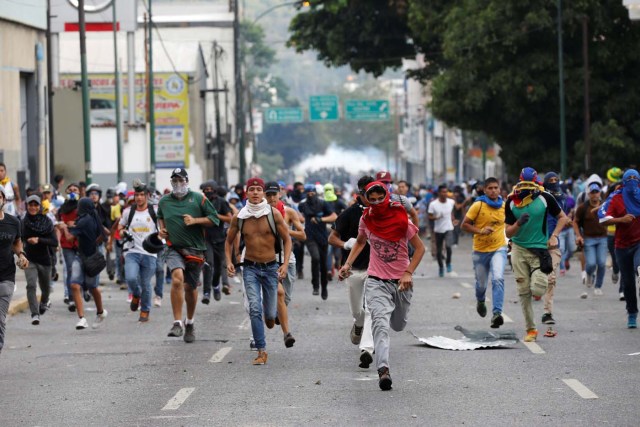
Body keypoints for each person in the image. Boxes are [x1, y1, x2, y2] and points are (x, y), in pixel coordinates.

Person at [338, 181, 425, 391]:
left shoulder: (401, 219)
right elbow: (360, 242)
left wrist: (407, 273)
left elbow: (420, 249)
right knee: (379, 324)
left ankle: (384, 363)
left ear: (387, 196)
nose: (376, 203)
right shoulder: (366, 219)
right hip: (376, 280)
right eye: (372, 199)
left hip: (402, 282)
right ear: (367, 199)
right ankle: (383, 370)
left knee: (398, 325)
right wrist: (347, 264)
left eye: (380, 198)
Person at [225, 177, 291, 365]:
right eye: (252, 189)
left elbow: (287, 239)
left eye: (258, 189)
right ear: (246, 192)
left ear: (263, 193)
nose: (255, 192)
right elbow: (228, 240)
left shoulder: (273, 214)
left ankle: (270, 319)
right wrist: (229, 261)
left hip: (270, 268)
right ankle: (261, 351)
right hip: (250, 268)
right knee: (254, 308)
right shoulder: (240, 216)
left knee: (269, 316)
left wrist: (285, 264)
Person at [505, 167, 567, 342]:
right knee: (523, 292)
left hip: (540, 249)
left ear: (536, 183)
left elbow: (563, 217)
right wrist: (518, 223)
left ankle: (537, 291)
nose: (526, 188)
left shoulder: (546, 198)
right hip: (518, 249)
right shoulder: (511, 201)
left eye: (529, 184)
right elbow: (508, 233)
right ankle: (531, 329)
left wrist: (554, 235)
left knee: (539, 287)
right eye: (523, 184)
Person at [157, 168, 218, 342]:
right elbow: (160, 218)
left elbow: (214, 219)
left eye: (180, 180)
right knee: (177, 279)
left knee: (190, 288)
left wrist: (195, 220)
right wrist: (161, 230)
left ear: (187, 181)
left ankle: (189, 322)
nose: (177, 184)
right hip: (173, 247)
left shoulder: (198, 199)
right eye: (174, 181)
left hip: (195, 249)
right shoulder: (164, 201)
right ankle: (177, 323)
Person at [328, 175, 376, 369]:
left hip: (377, 269)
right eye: (368, 193)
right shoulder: (349, 214)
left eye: (376, 193)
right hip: (355, 268)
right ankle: (358, 323)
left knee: (372, 309)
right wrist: (346, 244)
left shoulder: (383, 211)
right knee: (358, 311)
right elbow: (332, 238)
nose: (373, 197)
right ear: (361, 193)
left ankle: (366, 349)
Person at [460, 177, 507, 328]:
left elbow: (509, 226)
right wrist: (480, 230)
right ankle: (480, 301)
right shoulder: (478, 205)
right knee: (481, 285)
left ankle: (497, 314)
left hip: (499, 248)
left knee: (498, 278)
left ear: (499, 189)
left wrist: (511, 240)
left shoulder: (505, 206)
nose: (493, 191)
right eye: (490, 188)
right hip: (480, 251)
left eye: (496, 188)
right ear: (485, 190)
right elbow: (464, 225)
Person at [57, 198, 108, 330]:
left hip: (89, 259)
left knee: (92, 286)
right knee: (74, 284)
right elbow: (105, 233)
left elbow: (69, 238)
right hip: (82, 256)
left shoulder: (84, 221)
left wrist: (63, 228)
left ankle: (101, 312)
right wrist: (94, 243)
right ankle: (82, 318)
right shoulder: (93, 218)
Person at [265, 181, 305, 348]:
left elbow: (302, 235)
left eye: (274, 194)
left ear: (280, 194)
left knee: (286, 297)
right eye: (269, 195)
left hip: (288, 257)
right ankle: (282, 328)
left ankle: (276, 314)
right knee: (279, 292)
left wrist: (284, 230)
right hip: (269, 257)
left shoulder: (288, 212)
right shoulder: (260, 213)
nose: (272, 198)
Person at [598, 169, 640, 328]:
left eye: (635, 178)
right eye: (628, 178)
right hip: (622, 246)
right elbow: (603, 220)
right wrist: (621, 219)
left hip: (639, 243)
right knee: (628, 283)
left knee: (639, 267)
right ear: (623, 181)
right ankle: (632, 313)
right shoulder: (616, 198)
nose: (632, 181)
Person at [118, 182, 158, 322]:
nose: (139, 198)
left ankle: (145, 310)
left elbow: (164, 227)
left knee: (146, 283)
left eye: (142, 195)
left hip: (150, 253)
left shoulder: (155, 211)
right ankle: (136, 294)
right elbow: (120, 226)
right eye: (137, 195)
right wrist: (122, 232)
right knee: (130, 278)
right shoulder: (128, 211)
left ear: (147, 196)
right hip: (132, 251)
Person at [0, 186, 29, 355]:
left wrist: (21, 254)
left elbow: (16, 241)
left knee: (0, 319)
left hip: (6, 276)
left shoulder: (13, 222)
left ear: (4, 199)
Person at [21, 195, 58, 325]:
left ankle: (44, 302)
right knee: (31, 285)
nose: (33, 207)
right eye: (30, 205)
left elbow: (54, 242)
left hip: (45, 260)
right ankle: (34, 314)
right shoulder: (23, 222)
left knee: (46, 289)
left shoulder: (47, 222)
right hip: (29, 259)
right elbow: (17, 240)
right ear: (27, 206)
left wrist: (39, 240)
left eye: (35, 205)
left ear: (40, 207)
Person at [298, 184, 337, 299]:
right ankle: (315, 285)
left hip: (322, 237)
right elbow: (298, 215)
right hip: (309, 237)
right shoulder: (303, 205)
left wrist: (321, 219)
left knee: (324, 265)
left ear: (315, 192)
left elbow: (334, 216)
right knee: (315, 258)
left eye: (312, 193)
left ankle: (324, 287)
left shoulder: (323, 203)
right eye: (308, 193)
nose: (310, 195)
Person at [200, 180, 233, 304]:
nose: (208, 191)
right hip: (206, 239)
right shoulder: (201, 202)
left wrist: (216, 216)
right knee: (208, 264)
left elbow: (230, 219)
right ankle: (206, 292)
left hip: (220, 238)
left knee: (219, 268)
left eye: (210, 189)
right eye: (205, 189)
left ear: (214, 189)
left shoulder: (222, 202)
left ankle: (216, 286)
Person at [573, 183, 608, 298]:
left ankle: (598, 286)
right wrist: (578, 235)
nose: (594, 195)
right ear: (588, 194)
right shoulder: (583, 207)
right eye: (592, 193)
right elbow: (575, 221)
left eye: (596, 192)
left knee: (602, 263)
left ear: (599, 193)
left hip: (603, 238)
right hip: (588, 239)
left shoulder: (604, 206)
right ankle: (589, 274)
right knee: (591, 263)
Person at [55, 183, 80, 310]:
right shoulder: (62, 209)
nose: (72, 192)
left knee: (82, 269)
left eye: (75, 190)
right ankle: (71, 298)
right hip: (67, 244)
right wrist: (58, 241)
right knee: (70, 268)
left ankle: (82, 291)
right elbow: (58, 224)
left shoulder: (83, 207)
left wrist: (74, 224)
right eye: (70, 190)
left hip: (81, 243)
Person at [428, 184, 457, 277]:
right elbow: (430, 216)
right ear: (439, 193)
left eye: (446, 192)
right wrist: (436, 217)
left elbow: (455, 210)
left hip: (449, 228)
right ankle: (441, 267)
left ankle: (448, 263)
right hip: (438, 230)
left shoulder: (451, 202)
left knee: (448, 246)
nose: (445, 194)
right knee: (439, 251)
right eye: (443, 192)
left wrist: (455, 219)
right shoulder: (433, 204)